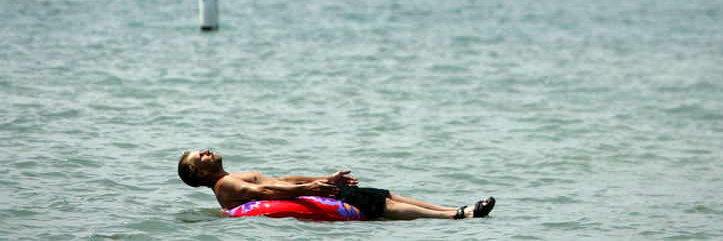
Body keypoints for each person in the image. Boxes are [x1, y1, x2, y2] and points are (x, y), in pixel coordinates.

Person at [178, 149, 495, 220]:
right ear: (199, 174)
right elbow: (264, 193)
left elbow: (280, 180)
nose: (206, 151)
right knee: (382, 206)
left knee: (385, 195)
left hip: (314, 190)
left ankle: (455, 208)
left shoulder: (232, 175)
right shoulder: (225, 188)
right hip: (312, 198)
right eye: (199, 157)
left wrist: (324, 179)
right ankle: (457, 216)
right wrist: (312, 189)